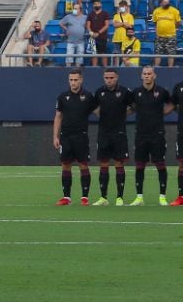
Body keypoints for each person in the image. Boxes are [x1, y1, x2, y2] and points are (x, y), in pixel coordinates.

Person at [129, 65, 173, 206]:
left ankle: (162, 196)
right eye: (145, 74)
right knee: (140, 165)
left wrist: (161, 114)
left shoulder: (162, 92)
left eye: (149, 73)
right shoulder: (136, 92)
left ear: (154, 75)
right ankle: (139, 197)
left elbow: (171, 104)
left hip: (157, 133)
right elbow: (131, 107)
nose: (147, 76)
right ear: (141, 76)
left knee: (160, 164)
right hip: (141, 134)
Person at [53, 68, 95, 205]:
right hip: (66, 137)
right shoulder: (62, 96)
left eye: (76, 80)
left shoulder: (88, 96)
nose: (73, 83)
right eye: (71, 80)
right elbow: (58, 117)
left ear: (81, 80)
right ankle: (67, 197)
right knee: (65, 165)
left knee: (83, 165)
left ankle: (84, 197)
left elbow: (99, 112)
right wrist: (55, 136)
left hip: (81, 136)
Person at [91, 68, 132, 206]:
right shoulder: (99, 92)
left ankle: (119, 197)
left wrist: (122, 114)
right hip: (104, 133)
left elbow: (135, 106)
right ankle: (103, 197)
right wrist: (100, 114)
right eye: (106, 77)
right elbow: (93, 107)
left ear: (117, 78)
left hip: (119, 133)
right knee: (103, 164)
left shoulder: (125, 92)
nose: (109, 80)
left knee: (119, 164)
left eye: (111, 77)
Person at [150, 0, 180, 68]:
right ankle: (156, 68)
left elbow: (178, 22)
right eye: (164, 2)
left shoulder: (174, 11)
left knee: (171, 54)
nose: (166, 3)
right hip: (159, 36)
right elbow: (155, 22)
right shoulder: (156, 11)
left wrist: (171, 28)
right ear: (161, 3)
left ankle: (170, 69)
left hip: (171, 36)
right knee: (158, 53)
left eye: (167, 2)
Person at [88, 0, 110, 67]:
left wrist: (98, 33)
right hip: (93, 37)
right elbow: (88, 25)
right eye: (95, 4)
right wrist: (91, 33)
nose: (96, 5)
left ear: (101, 5)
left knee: (103, 53)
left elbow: (106, 25)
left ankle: (105, 68)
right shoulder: (90, 14)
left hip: (102, 37)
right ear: (93, 5)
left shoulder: (105, 13)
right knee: (94, 53)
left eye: (98, 4)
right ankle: (94, 68)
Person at [172, 78, 183, 205]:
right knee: (182, 164)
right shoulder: (178, 87)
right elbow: (173, 105)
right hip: (182, 130)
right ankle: (181, 196)